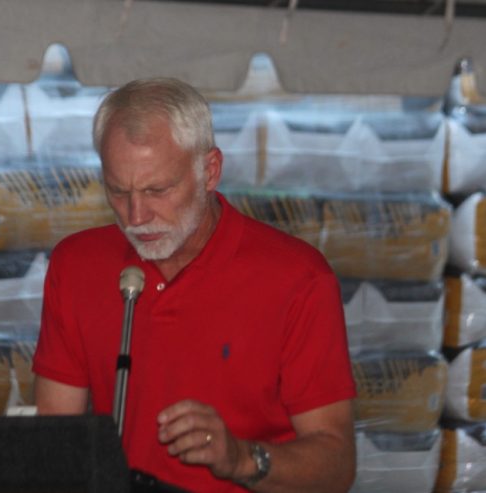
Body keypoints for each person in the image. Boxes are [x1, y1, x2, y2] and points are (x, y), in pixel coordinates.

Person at [32, 77, 357, 493]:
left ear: (210, 171)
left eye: (157, 190)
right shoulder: (76, 265)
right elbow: (53, 446)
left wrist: (240, 458)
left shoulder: (299, 279)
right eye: (118, 191)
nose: (135, 216)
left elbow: (337, 467)